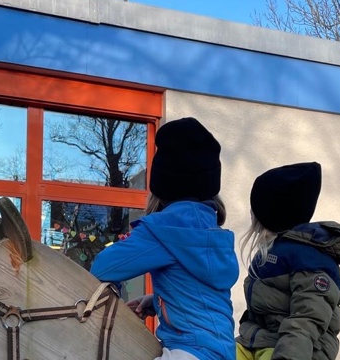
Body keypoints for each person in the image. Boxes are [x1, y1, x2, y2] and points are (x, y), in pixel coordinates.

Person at [91, 117, 239, 360]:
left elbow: (103, 267)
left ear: (161, 187)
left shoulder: (162, 229)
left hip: (187, 352)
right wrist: (157, 300)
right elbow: (202, 295)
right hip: (221, 352)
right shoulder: (213, 234)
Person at [236, 162, 340, 360]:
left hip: (298, 350)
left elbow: (307, 319)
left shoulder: (310, 260)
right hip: (261, 342)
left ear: (272, 213)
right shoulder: (272, 251)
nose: (251, 213)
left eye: (256, 208)